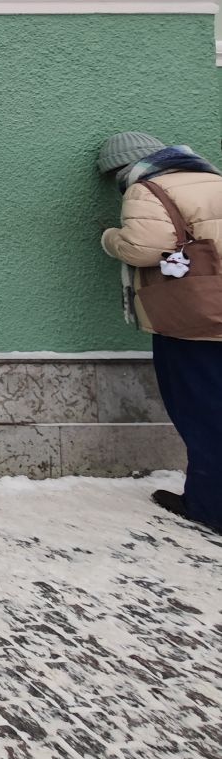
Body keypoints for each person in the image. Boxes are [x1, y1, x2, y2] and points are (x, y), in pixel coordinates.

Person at [98, 131, 222, 534]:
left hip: (196, 319)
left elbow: (143, 248)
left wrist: (109, 238)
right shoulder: (213, 179)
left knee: (201, 409)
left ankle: (208, 505)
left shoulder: (147, 187)